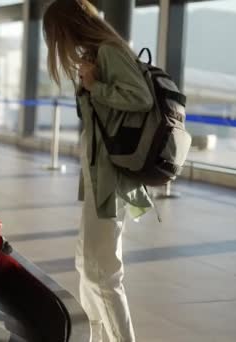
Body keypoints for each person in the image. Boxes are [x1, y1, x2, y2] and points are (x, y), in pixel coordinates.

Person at [43, 1, 154, 341]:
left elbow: (141, 98)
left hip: (112, 178)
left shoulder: (110, 50)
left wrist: (95, 87)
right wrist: (89, 83)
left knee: (103, 272)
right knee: (87, 266)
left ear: (66, 27)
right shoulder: (96, 54)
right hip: (99, 176)